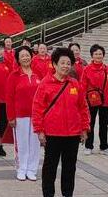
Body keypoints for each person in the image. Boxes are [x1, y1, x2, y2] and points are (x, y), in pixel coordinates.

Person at [32, 47, 90, 197]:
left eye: (68, 63)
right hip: (52, 133)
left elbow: (83, 107)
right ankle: (48, 194)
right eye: (62, 63)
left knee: (70, 167)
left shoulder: (75, 84)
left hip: (72, 134)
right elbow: (37, 108)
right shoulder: (45, 84)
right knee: (50, 167)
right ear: (55, 64)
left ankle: (67, 193)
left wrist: (84, 128)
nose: (65, 66)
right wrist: (39, 130)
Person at [5, 45, 41, 181]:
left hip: (37, 115)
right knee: (22, 143)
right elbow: (9, 98)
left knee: (35, 143)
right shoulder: (14, 76)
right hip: (20, 115)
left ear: (31, 56)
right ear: (18, 59)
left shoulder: (38, 73)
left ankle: (32, 169)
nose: (26, 58)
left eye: (28, 55)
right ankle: (21, 168)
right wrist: (11, 117)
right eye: (22, 56)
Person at [80, 44, 108, 156]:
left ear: (103, 55)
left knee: (104, 124)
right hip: (91, 101)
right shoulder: (86, 69)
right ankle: (88, 146)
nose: (98, 56)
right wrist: (83, 102)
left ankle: (104, 147)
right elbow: (83, 86)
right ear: (92, 55)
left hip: (105, 101)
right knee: (90, 123)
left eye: (100, 54)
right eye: (96, 54)